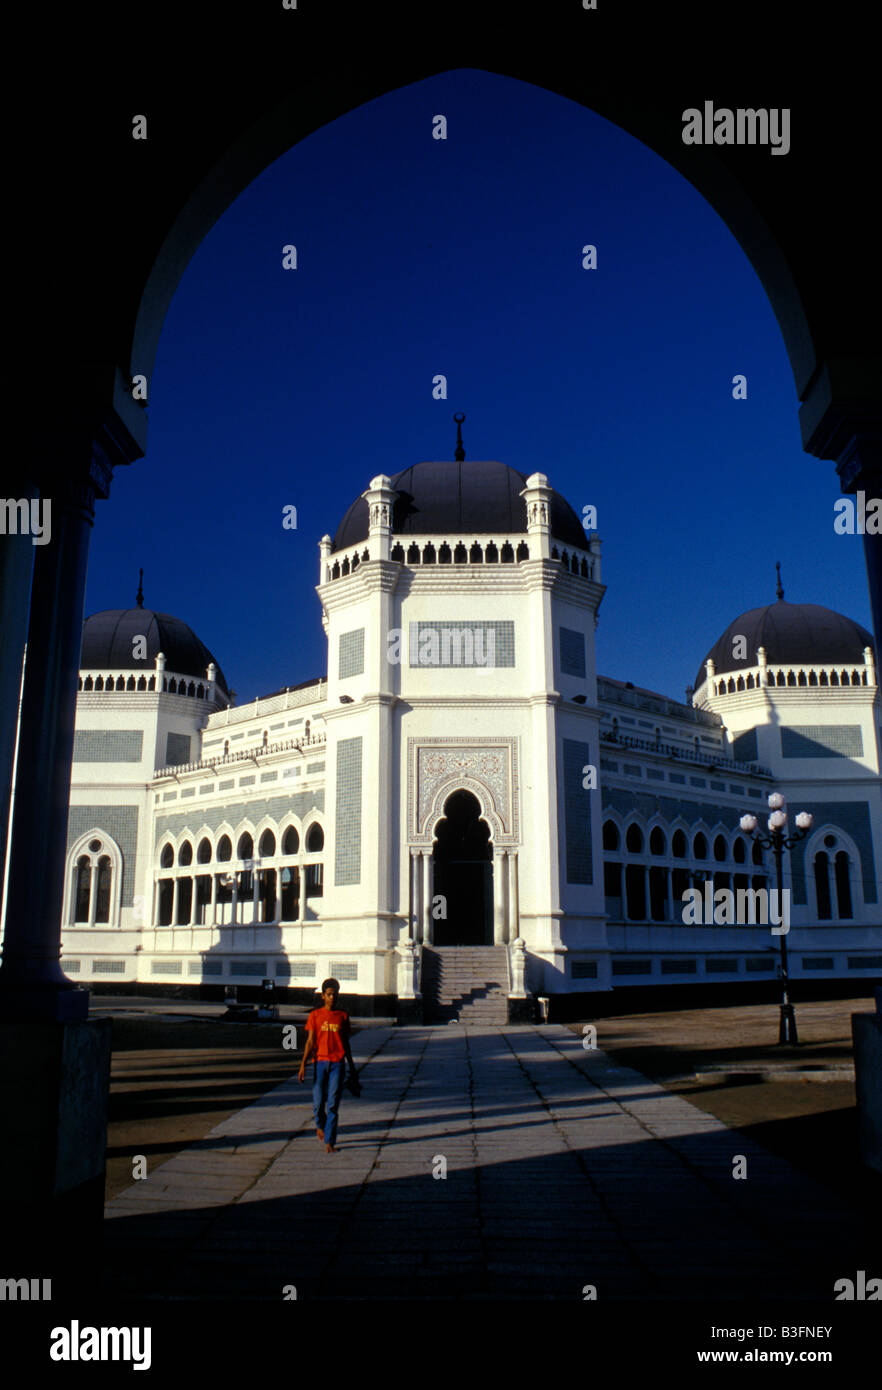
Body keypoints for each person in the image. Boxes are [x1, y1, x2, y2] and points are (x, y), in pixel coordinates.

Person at [298, 978, 356, 1153]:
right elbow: (310, 1042)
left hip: (337, 1063)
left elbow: (345, 1043)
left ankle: (330, 1141)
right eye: (329, 994)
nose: (332, 997)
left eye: (335, 994)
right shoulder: (315, 1016)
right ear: (323, 996)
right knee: (318, 1103)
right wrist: (303, 1065)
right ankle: (320, 1125)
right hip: (320, 1063)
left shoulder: (342, 1016)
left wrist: (352, 1067)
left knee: (332, 1103)